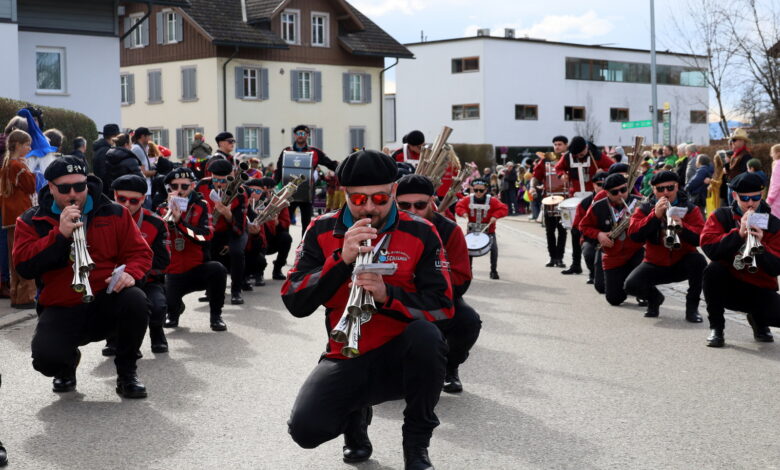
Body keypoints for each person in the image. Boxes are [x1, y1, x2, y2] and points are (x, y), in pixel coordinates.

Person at [283, 150, 453, 470]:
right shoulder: (321, 229)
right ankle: (355, 417)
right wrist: (341, 259)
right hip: (346, 352)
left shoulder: (421, 231)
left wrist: (389, 295)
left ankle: (416, 446)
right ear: (344, 194)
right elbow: (294, 301)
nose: (370, 207)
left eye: (379, 197)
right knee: (305, 431)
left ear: (393, 191)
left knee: (427, 336)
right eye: (358, 199)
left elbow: (444, 307)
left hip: (402, 351)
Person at [13, 156, 152, 398]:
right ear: (51, 188)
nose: (74, 193)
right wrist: (59, 234)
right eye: (65, 188)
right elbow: (24, 266)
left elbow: (140, 253)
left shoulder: (115, 211)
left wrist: (131, 273)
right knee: (46, 361)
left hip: (105, 299)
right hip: (61, 305)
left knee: (136, 300)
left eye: (80, 186)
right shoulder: (30, 220)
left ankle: (127, 374)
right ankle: (67, 363)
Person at [396, 174, 481, 394]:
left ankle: (449, 367)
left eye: (420, 205)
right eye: (404, 205)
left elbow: (461, 278)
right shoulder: (385, 225)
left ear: (432, 202)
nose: (412, 211)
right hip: (394, 294)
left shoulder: (450, 230)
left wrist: (429, 281)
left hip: (437, 297)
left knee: (468, 320)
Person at [700, 172, 780, 347]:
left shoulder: (774, 223)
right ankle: (717, 328)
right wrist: (739, 234)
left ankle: (759, 321)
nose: (750, 203)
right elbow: (710, 249)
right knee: (713, 270)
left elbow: (776, 268)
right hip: (730, 286)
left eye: (755, 198)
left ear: (762, 195)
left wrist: (760, 247)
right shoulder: (721, 216)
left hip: (760, 287)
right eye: (744, 198)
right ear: (735, 196)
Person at [624, 171, 706, 322]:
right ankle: (654, 299)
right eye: (660, 189)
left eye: (670, 187)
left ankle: (692, 309)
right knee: (631, 285)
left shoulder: (690, 208)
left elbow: (701, 237)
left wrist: (683, 227)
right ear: (654, 191)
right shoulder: (644, 208)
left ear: (677, 187)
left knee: (699, 261)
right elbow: (634, 234)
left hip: (681, 260)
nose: (666, 192)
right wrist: (654, 216)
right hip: (655, 263)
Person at [103, 175, 170, 355]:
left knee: (156, 306)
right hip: (110, 280)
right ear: (114, 195)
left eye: (133, 201)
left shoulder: (156, 222)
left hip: (147, 280)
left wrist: (134, 274)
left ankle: (157, 331)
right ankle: (114, 338)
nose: (126, 205)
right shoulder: (101, 220)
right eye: (121, 199)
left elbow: (163, 261)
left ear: (143, 199)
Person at [162, 167, 228, 331]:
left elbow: (205, 236)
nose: (179, 191)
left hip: (196, 268)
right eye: (174, 186)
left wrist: (180, 224)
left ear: (192, 186)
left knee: (218, 270)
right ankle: (174, 312)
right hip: (173, 270)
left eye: (184, 186)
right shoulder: (162, 208)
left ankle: (216, 316)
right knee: (167, 302)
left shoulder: (202, 206)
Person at [580, 174, 644, 305]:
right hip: (611, 252)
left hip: (636, 251)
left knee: (641, 272)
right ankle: (626, 282)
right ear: (607, 193)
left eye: (623, 190)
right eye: (615, 192)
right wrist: (599, 234)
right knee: (610, 296)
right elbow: (583, 226)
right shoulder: (598, 206)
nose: (620, 194)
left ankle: (641, 290)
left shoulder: (641, 203)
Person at [195, 158, 248, 305]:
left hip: (232, 229)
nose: (219, 184)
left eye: (224, 181)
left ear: (231, 176)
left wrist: (227, 214)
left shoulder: (240, 191)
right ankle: (211, 288)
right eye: (215, 180)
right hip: (210, 227)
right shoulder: (202, 185)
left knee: (237, 252)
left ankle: (236, 290)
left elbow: (240, 227)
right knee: (206, 251)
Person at [274, 125, 339, 237]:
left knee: (306, 224)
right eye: (298, 133)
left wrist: (343, 167)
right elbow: (279, 171)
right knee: (285, 222)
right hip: (288, 194)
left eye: (303, 134)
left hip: (307, 195)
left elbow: (330, 164)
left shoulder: (315, 152)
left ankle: (304, 250)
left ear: (307, 136)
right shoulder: (286, 151)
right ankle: (285, 244)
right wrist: (272, 185)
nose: (300, 136)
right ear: (295, 135)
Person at [0, 130, 37, 309]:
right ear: (18, 146)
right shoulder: (18, 165)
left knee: (14, 257)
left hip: (10, 216)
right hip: (21, 214)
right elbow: (31, 186)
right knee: (25, 256)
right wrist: (32, 171)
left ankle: (16, 294)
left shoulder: (7, 163)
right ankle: (26, 296)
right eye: (27, 145)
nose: (29, 148)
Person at [455, 178, 508, 279]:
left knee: (494, 249)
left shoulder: (492, 200)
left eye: (481, 190)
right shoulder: (467, 199)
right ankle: (469, 270)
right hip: (472, 230)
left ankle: (493, 271)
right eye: (476, 190)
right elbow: (459, 206)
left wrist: (495, 216)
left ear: (486, 190)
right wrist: (464, 213)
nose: (478, 193)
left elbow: (503, 208)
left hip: (489, 230)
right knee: (468, 250)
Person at [244, 177, 293, 286]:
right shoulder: (245, 201)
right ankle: (248, 273)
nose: (270, 194)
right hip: (250, 241)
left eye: (272, 191)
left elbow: (286, 224)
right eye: (268, 191)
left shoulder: (277, 202)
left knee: (286, 238)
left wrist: (277, 223)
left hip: (270, 239)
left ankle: (277, 269)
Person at [533, 137, 568, 267]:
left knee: (562, 230)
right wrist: (532, 187)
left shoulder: (569, 159)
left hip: (566, 201)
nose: (557, 147)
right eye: (555, 144)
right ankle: (552, 257)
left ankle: (560, 258)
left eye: (560, 144)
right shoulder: (546, 160)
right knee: (550, 231)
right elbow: (536, 177)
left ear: (566, 145)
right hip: (549, 200)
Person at [574, 170, 608, 285]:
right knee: (589, 253)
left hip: (613, 236)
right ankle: (594, 274)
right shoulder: (584, 203)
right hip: (591, 238)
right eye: (599, 185)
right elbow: (578, 226)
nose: (602, 188)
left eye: (605, 185)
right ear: (593, 185)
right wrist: (596, 234)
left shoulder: (615, 199)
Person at [130, 127, 156, 207]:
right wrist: (156, 172)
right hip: (145, 191)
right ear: (142, 136)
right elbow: (143, 172)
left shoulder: (139, 148)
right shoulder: (137, 149)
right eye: (148, 136)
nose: (150, 138)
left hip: (146, 190)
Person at [93, 124, 120, 192]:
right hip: (106, 192)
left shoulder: (100, 149)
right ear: (113, 137)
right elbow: (104, 174)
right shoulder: (106, 151)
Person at [765, 144, 780, 217]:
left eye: (772, 153)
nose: (771, 155)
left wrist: (769, 200)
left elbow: (776, 185)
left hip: (776, 201)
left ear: (778, 153)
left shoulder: (778, 165)